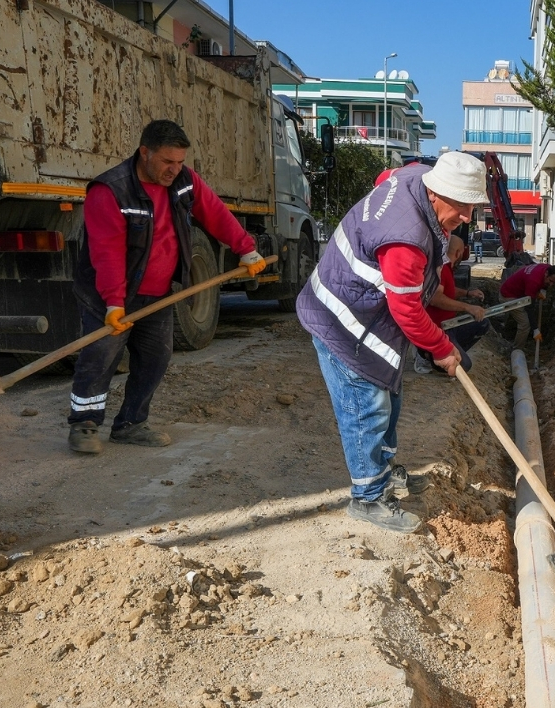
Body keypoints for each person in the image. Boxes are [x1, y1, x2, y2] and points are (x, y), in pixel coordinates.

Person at [297, 152, 488, 533]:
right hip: (343, 321)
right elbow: (408, 311)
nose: (467, 217)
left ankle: (385, 474)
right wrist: (443, 350)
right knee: (366, 408)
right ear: (436, 194)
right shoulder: (406, 237)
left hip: (369, 313)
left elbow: (387, 175)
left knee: (390, 399)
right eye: (462, 206)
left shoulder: (415, 177)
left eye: (472, 206)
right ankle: (367, 497)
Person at [66, 120, 267, 454]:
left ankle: (131, 424)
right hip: (110, 294)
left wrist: (245, 248)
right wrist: (114, 303)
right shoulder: (111, 191)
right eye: (166, 162)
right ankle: (84, 424)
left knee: (156, 356)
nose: (175, 169)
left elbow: (214, 212)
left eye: (179, 162)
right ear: (145, 153)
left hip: (157, 293)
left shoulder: (184, 181)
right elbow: (107, 252)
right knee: (101, 356)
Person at [415, 234, 488, 374]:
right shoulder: (442, 268)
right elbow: (436, 298)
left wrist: (468, 293)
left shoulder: (447, 268)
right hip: (440, 328)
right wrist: (468, 307)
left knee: (483, 324)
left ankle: (451, 351)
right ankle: (425, 354)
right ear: (458, 253)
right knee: (464, 366)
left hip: (451, 324)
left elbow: (447, 291)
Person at [499, 263, 555, 349]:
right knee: (525, 324)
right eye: (550, 281)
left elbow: (544, 283)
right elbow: (529, 308)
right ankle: (517, 350)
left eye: (554, 283)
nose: (551, 284)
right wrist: (535, 329)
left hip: (518, 291)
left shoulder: (547, 268)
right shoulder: (533, 281)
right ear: (546, 273)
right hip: (508, 296)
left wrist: (543, 290)